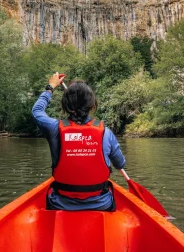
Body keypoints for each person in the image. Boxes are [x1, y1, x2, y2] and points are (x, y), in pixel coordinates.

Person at [31, 72, 126, 211]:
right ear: (92, 105)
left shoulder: (54, 129)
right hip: (101, 204)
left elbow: (37, 111)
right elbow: (120, 163)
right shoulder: (106, 132)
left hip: (60, 204)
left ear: (66, 105)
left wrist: (50, 87)